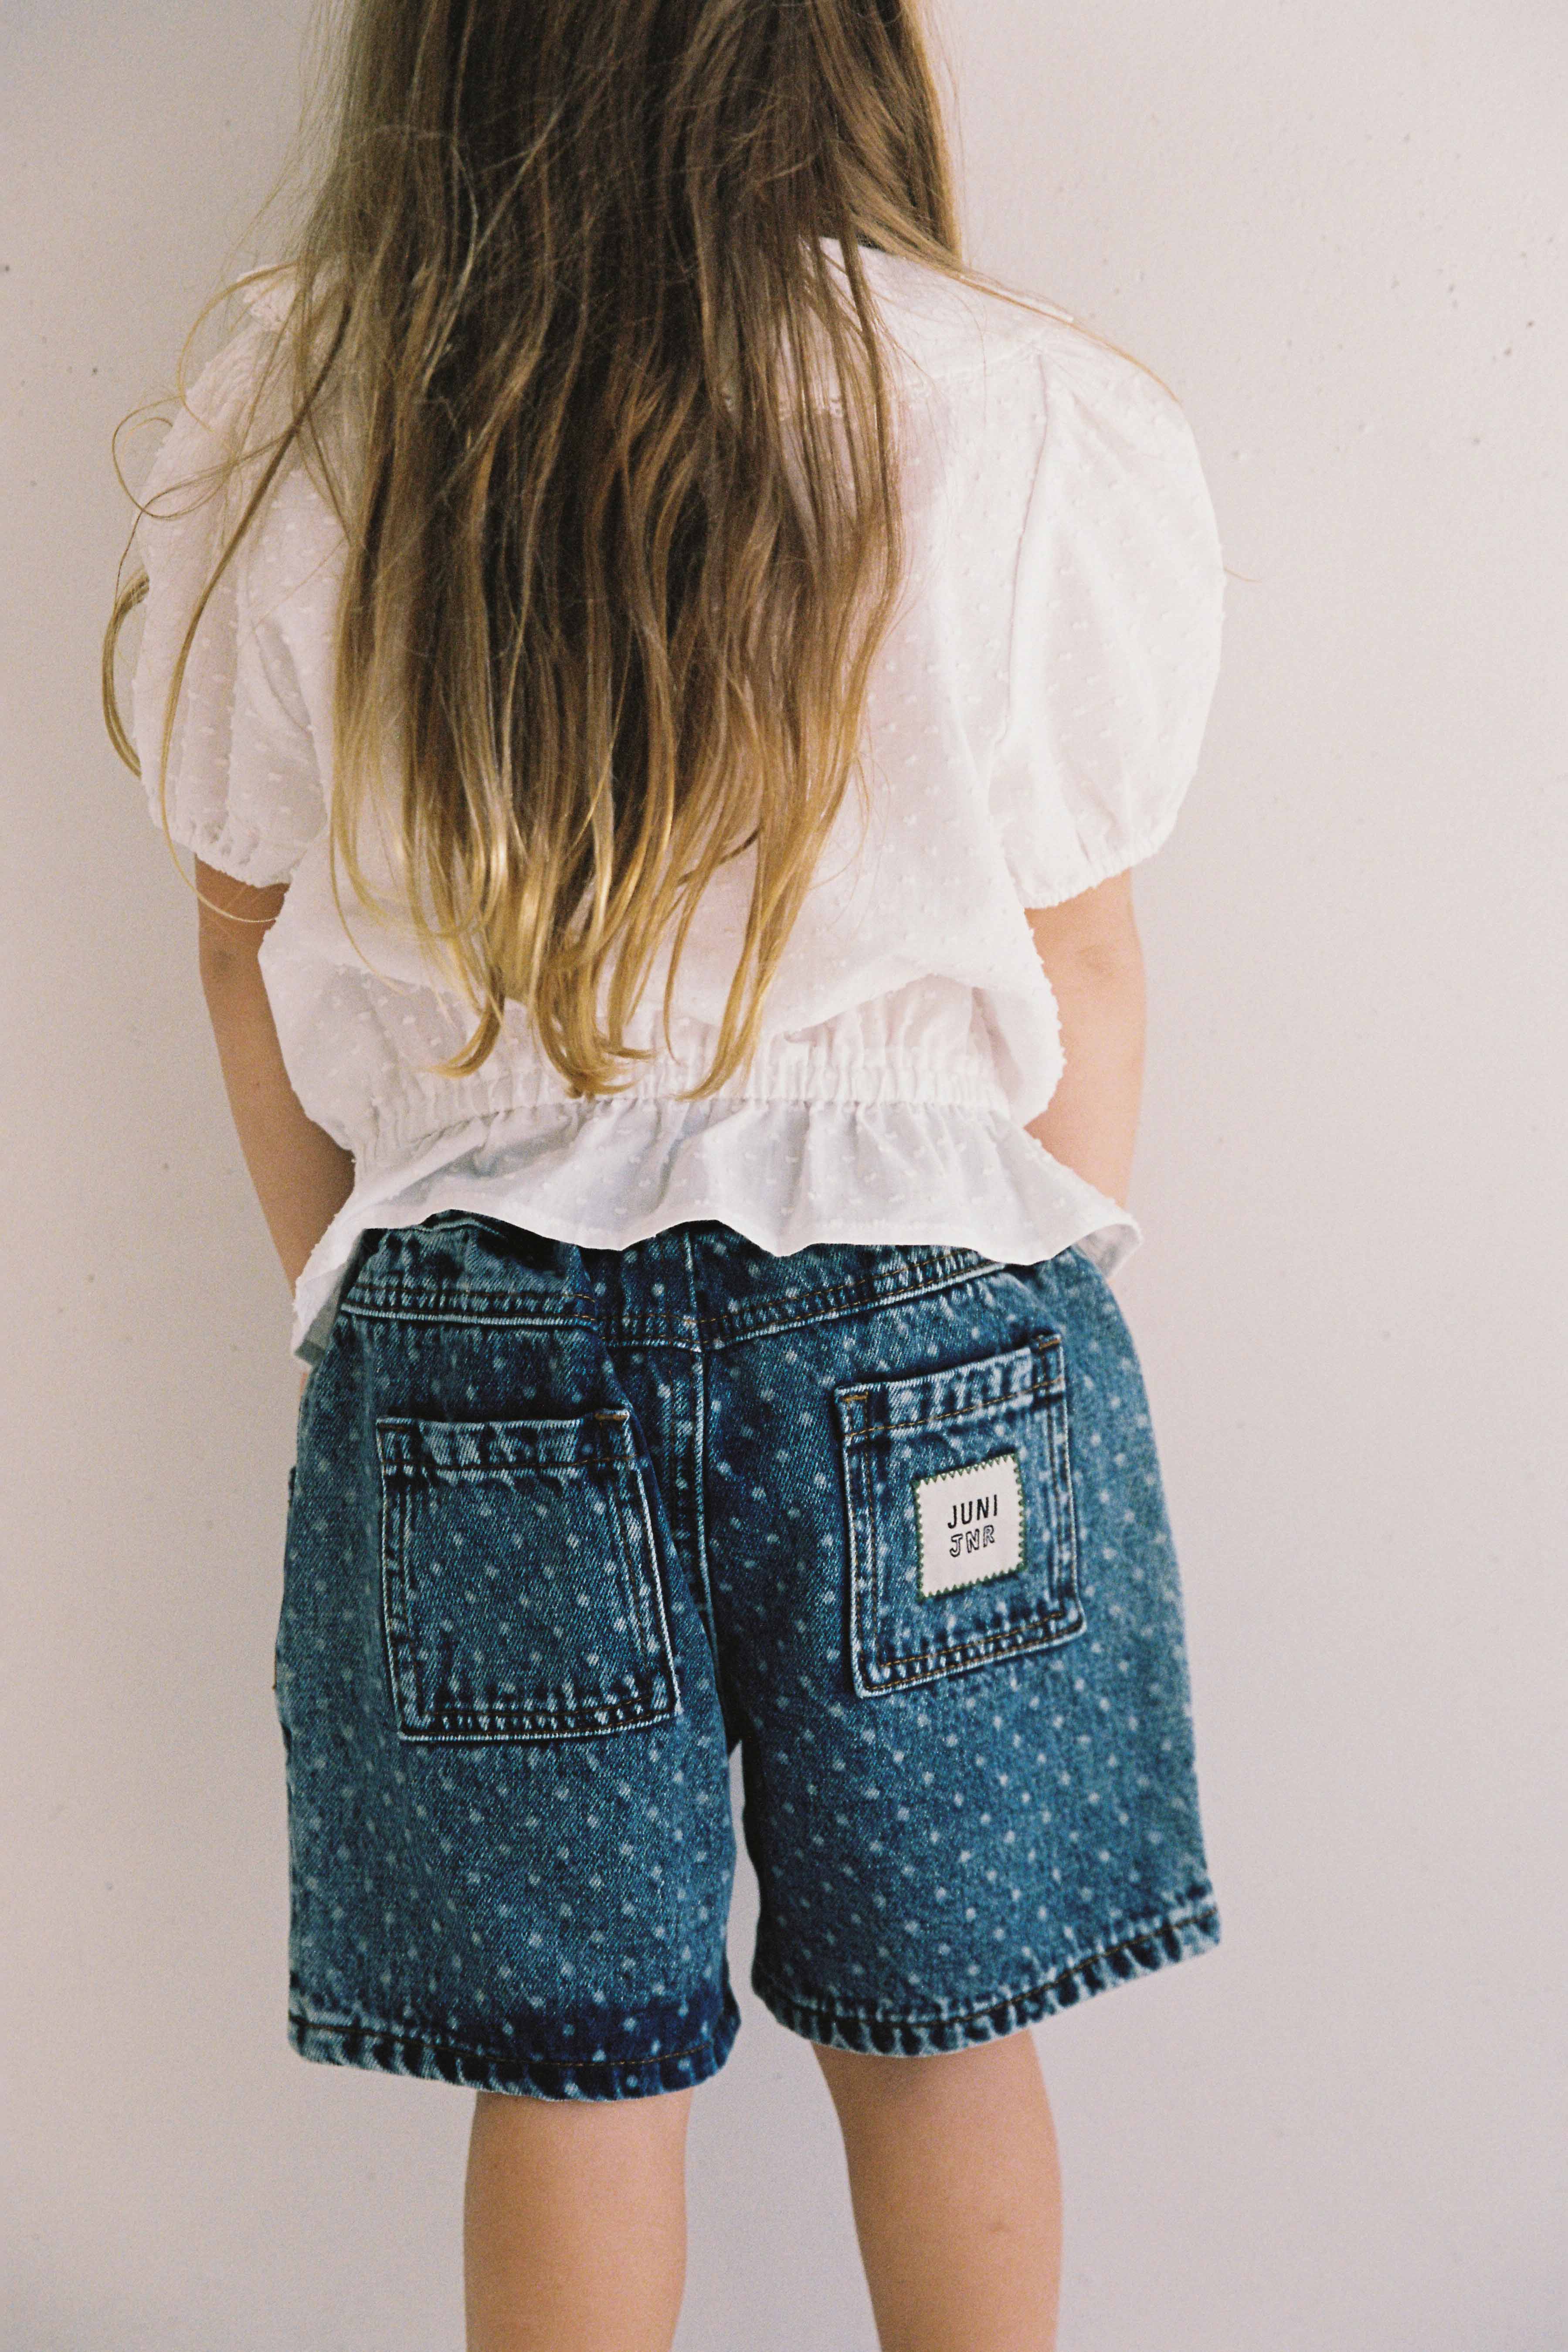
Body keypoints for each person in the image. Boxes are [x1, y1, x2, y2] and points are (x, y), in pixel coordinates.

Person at [105, 3, 1225, 2345]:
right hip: (936, 1290)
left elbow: (237, 929)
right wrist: (1030, 1300)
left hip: (475, 1290)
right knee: (944, 2037)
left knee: (579, 2069)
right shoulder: (1013, 412)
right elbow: (1088, 954)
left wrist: (363, 1272)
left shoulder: (300, 397)